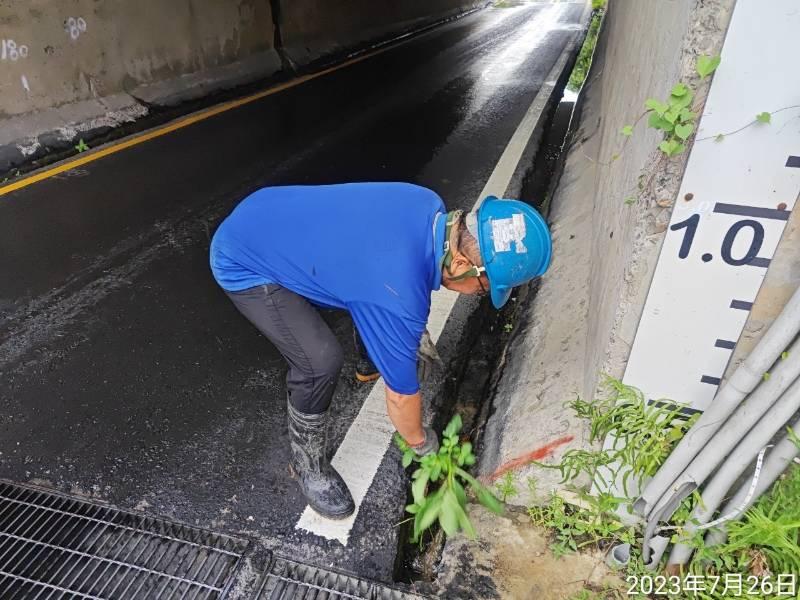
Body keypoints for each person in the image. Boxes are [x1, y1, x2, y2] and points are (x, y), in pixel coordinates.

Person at [209, 182, 551, 519]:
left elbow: (370, 270)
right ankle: (307, 466)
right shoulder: (398, 293)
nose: (477, 294)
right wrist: (421, 442)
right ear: (462, 264)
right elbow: (401, 398)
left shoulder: (427, 204)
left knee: (368, 291)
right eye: (483, 288)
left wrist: (400, 336)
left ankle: (370, 360)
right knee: (319, 362)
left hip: (267, 211)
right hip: (244, 259)